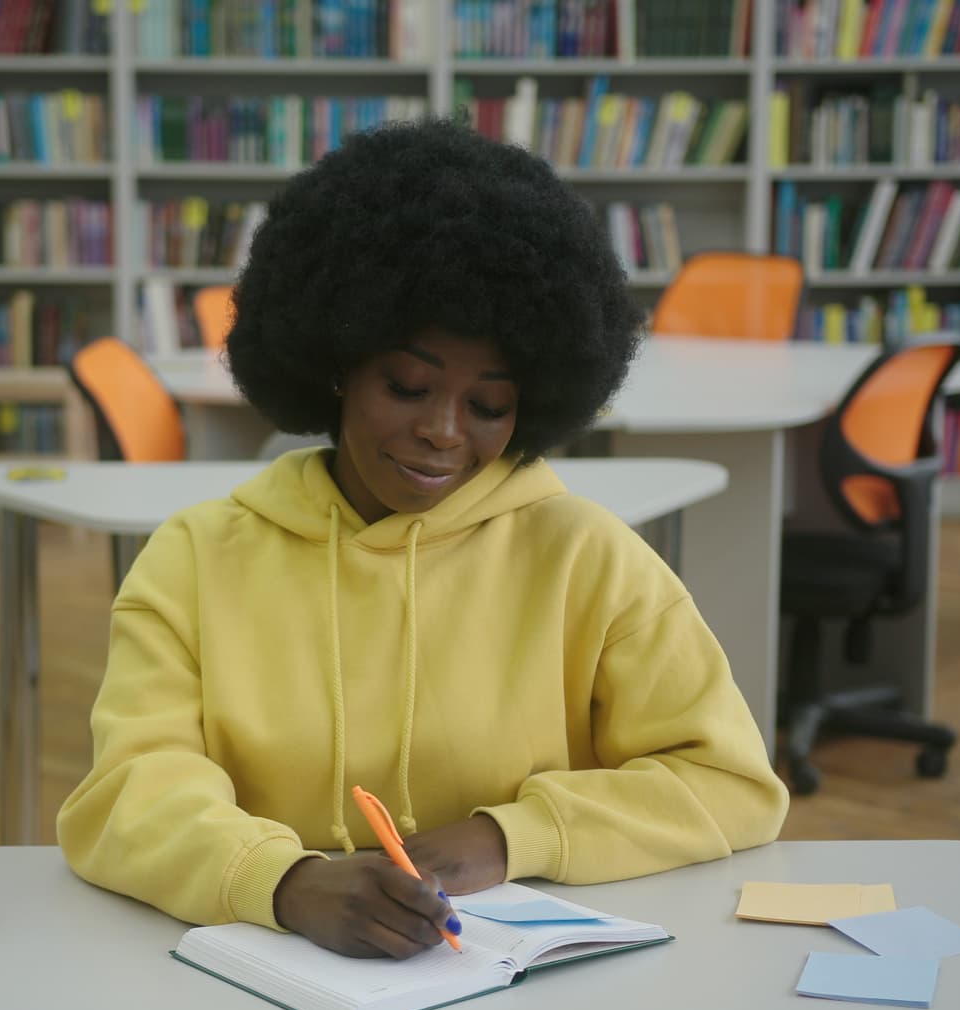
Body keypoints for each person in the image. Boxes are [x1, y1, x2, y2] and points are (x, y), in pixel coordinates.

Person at [56, 120, 788, 960]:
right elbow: (126, 792)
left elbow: (729, 783)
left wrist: (510, 836)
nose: (443, 430)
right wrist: (283, 880)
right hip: (260, 972)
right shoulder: (193, 559)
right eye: (407, 386)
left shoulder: (588, 557)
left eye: (489, 405)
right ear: (336, 365)